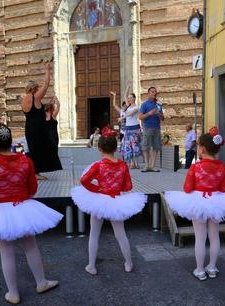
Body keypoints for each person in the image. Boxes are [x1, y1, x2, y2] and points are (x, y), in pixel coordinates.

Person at [0, 116, 63, 304]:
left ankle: (13, 293)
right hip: (23, 206)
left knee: (6, 252)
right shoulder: (26, 161)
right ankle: (41, 282)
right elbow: (33, 188)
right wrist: (23, 198)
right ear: (10, 142)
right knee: (31, 246)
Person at [70, 127, 147, 275]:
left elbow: (84, 180)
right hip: (115, 201)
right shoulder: (123, 165)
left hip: (99, 201)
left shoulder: (98, 165)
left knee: (94, 233)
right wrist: (117, 186)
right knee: (121, 234)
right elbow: (128, 186)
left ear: (99, 149)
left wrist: (97, 189)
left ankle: (91, 266)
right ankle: (129, 263)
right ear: (116, 148)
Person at [165, 127, 225, 281]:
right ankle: (213, 267)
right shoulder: (222, 166)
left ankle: (200, 270)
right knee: (214, 236)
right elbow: (224, 188)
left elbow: (187, 188)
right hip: (216, 202)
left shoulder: (196, 167)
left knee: (200, 238)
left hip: (198, 202)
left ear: (201, 149)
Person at [22, 62, 54, 180]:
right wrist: (48, 69)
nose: (38, 89)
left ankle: (35, 172)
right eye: (37, 88)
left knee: (35, 149)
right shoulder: (34, 97)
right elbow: (46, 84)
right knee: (37, 150)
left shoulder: (25, 99)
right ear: (34, 88)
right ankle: (35, 173)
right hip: (36, 129)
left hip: (30, 128)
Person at [113, 87, 142, 169]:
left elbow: (131, 114)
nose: (129, 99)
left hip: (135, 128)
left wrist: (122, 118)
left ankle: (136, 163)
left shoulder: (137, 107)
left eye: (131, 97)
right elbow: (125, 96)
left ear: (134, 98)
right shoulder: (128, 106)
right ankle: (132, 163)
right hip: (128, 128)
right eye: (128, 98)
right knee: (128, 145)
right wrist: (128, 88)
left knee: (135, 145)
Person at [139, 87, 164, 172]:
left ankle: (152, 166)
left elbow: (163, 118)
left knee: (156, 147)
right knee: (146, 147)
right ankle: (147, 165)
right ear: (148, 93)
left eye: (155, 92)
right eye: (152, 92)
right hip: (147, 127)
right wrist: (149, 113)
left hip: (157, 128)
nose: (154, 93)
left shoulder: (159, 105)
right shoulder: (144, 104)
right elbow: (140, 117)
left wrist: (159, 114)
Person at [44, 97, 63, 171]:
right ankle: (53, 165)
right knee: (53, 150)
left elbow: (57, 107)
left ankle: (49, 165)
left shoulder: (47, 116)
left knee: (50, 150)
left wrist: (53, 102)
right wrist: (56, 101)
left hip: (48, 135)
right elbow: (58, 106)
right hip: (52, 135)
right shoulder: (52, 115)